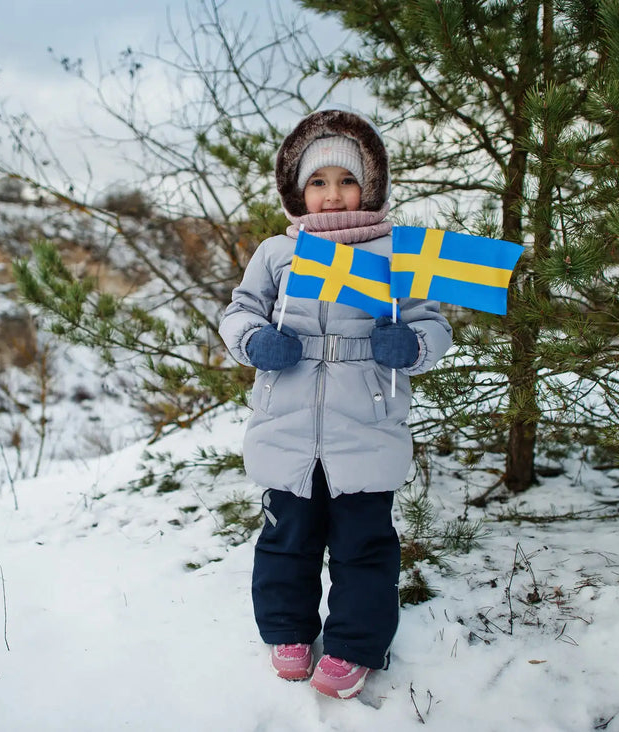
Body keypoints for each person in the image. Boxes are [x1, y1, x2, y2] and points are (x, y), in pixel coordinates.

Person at [218, 107, 453, 700]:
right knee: (285, 539)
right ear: (297, 190)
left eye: (346, 180)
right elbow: (239, 311)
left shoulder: (399, 252)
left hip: (366, 422)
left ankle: (354, 643)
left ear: (370, 185)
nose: (331, 194)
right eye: (317, 182)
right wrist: (253, 340)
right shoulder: (278, 252)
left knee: (364, 545)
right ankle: (288, 631)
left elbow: (434, 325)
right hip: (286, 423)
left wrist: (413, 344)